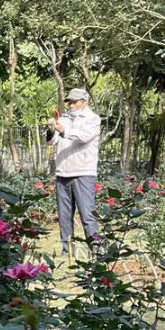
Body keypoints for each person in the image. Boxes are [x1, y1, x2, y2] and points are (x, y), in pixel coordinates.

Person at [46, 88, 101, 258]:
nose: (70, 105)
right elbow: (52, 141)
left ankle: (97, 252)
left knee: (87, 215)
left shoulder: (92, 119)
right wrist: (51, 128)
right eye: (69, 101)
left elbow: (83, 137)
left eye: (74, 101)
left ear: (84, 101)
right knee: (64, 217)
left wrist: (62, 130)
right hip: (63, 173)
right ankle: (67, 252)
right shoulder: (63, 119)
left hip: (83, 172)